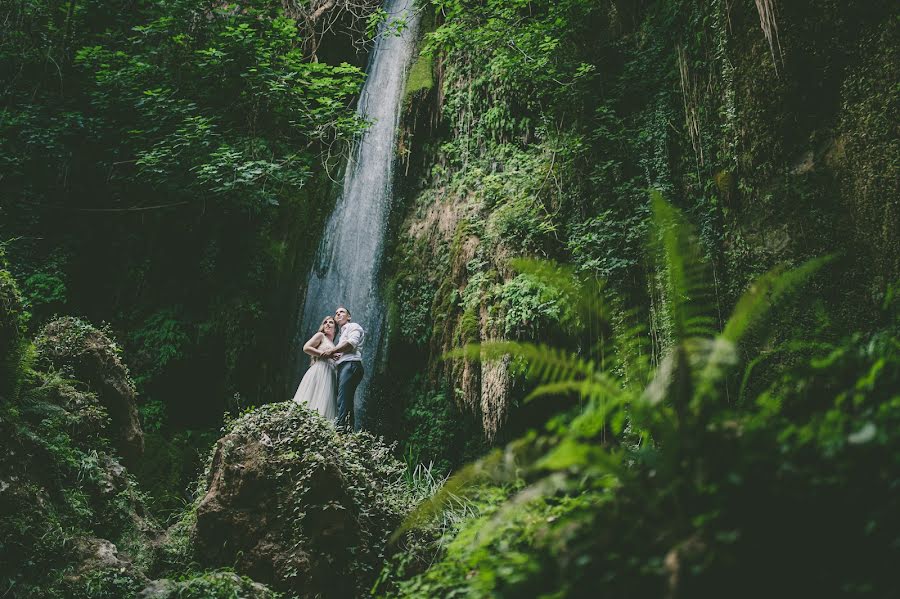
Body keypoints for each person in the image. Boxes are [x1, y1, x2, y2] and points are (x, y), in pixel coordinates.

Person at [320, 306, 364, 429]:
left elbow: (351, 344)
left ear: (348, 316)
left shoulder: (353, 326)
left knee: (343, 400)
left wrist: (332, 351)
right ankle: (348, 432)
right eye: (336, 313)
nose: (338, 314)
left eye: (342, 312)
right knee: (347, 400)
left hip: (351, 365)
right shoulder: (341, 335)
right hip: (346, 366)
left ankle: (340, 431)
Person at [291, 316, 338, 421]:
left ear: (335, 329)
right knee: (312, 397)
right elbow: (306, 348)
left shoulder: (334, 345)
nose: (327, 324)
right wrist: (324, 354)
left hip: (330, 375)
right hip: (319, 370)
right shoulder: (321, 336)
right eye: (325, 322)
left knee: (324, 400)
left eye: (331, 322)